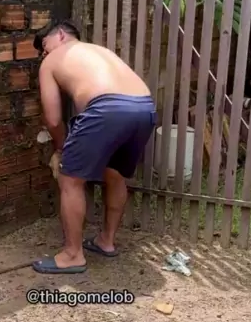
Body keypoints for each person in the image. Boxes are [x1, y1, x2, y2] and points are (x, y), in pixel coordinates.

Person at [31, 19, 157, 275]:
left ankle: (72, 255)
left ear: (61, 35)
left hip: (106, 109)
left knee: (70, 179)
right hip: (144, 107)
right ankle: (106, 241)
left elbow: (53, 120)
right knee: (114, 174)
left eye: (44, 45)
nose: (44, 53)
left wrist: (61, 149)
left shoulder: (52, 61)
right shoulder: (100, 51)